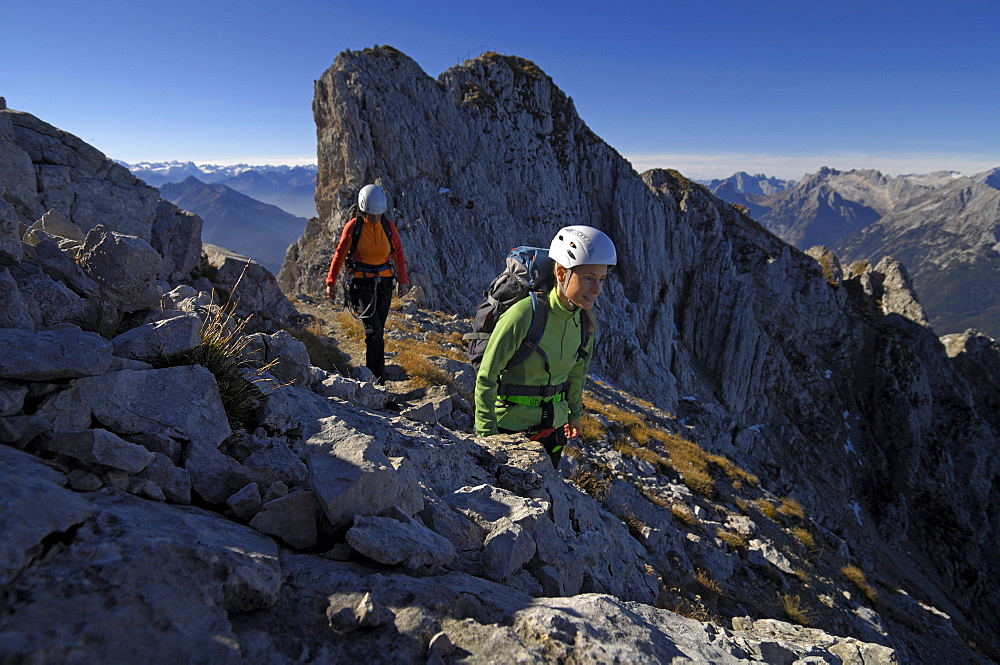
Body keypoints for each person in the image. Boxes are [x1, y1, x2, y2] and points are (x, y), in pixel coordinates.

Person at [474, 225, 616, 467]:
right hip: (509, 432)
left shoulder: (582, 322)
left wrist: (574, 415)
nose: (597, 289)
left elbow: (576, 374)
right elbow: (487, 377)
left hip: (553, 433)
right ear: (561, 273)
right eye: (588, 278)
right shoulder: (525, 314)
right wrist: (488, 438)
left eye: (601, 279)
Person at [325, 184, 410, 384]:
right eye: (371, 215)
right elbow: (340, 253)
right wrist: (331, 281)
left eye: (378, 215)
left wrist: (403, 281)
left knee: (379, 328)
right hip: (361, 283)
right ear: (363, 210)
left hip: (384, 283)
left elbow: (398, 253)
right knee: (373, 330)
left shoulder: (388, 226)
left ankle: (375, 373)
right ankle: (376, 378)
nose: (375, 219)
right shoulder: (353, 227)